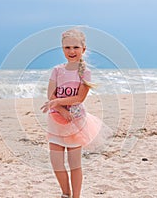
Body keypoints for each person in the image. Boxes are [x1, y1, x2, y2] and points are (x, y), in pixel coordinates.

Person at [41, 28, 107, 198]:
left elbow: (79, 97)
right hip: (56, 120)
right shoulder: (57, 70)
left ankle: (75, 196)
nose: (71, 51)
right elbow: (51, 94)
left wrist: (57, 102)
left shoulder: (85, 72)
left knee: (74, 163)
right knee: (56, 163)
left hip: (75, 121)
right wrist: (60, 108)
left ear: (83, 49)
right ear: (62, 49)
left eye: (75, 47)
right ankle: (65, 193)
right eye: (67, 47)